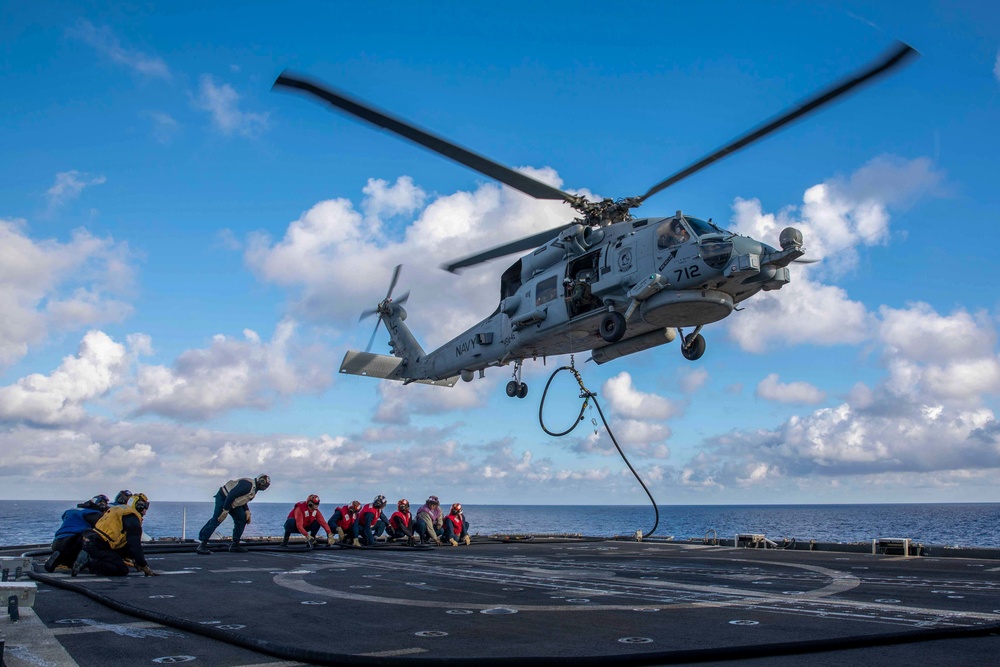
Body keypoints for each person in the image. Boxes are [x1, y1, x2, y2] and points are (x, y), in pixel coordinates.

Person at [73, 494, 157, 577]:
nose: (146, 509)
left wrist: (136, 560)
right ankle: (91, 561)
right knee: (121, 569)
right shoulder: (132, 518)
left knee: (127, 548)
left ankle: (94, 555)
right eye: (145, 506)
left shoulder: (121, 510)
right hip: (99, 545)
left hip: (96, 539)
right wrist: (143, 565)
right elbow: (135, 544)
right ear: (139, 507)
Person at [195, 474, 271, 555]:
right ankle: (202, 545)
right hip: (224, 498)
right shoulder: (248, 485)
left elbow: (242, 498)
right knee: (218, 519)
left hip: (233, 502)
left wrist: (246, 510)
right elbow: (232, 494)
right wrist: (225, 510)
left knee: (242, 519)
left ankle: (235, 544)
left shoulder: (253, 488)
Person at [45, 495, 109, 572]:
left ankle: (60, 558)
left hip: (57, 541)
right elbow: (103, 529)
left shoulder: (71, 511)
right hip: (75, 541)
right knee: (95, 537)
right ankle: (82, 560)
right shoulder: (95, 514)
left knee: (69, 561)